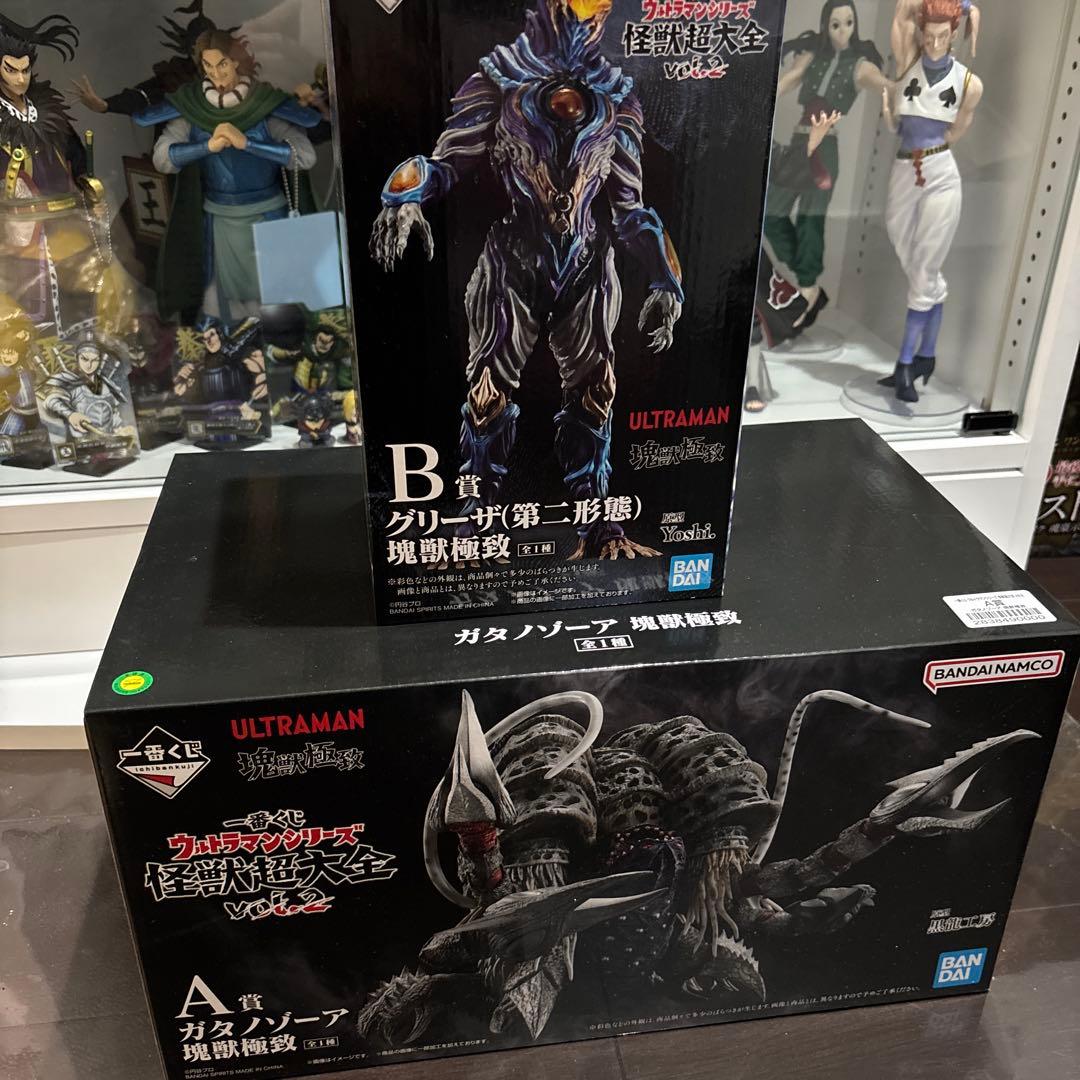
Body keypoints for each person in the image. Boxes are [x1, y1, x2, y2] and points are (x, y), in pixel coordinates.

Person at [135, 30, 321, 322]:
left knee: (278, 302)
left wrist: (248, 143)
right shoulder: (192, 107)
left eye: (222, 64)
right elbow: (162, 159)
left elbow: (305, 155)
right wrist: (206, 146)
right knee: (224, 308)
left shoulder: (264, 104)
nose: (216, 73)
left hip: (269, 216)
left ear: (235, 61)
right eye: (208, 66)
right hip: (220, 220)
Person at [880, 0, 982, 403]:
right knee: (902, 241)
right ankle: (927, 354)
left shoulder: (969, 82)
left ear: (953, 34)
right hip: (904, 167)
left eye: (943, 35)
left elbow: (957, 130)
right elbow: (901, 13)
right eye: (930, 34)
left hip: (939, 171)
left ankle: (906, 363)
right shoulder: (908, 61)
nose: (935, 43)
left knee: (923, 268)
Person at [763, 2, 887, 329]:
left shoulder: (859, 65)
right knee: (771, 212)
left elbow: (884, 85)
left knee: (811, 218)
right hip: (799, 141)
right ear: (825, 26)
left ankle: (807, 286)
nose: (843, 30)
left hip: (826, 146)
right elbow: (787, 80)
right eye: (835, 24)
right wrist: (756, 97)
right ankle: (807, 277)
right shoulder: (812, 55)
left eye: (848, 23)